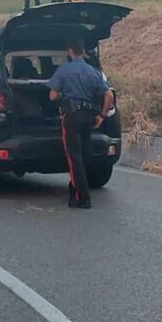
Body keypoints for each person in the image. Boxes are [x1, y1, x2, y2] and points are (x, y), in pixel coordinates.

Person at [47, 38, 112, 209]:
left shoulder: (63, 71)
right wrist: (102, 116)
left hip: (72, 117)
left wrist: (63, 95)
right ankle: (74, 189)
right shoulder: (94, 72)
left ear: (70, 51)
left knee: (73, 158)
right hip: (89, 118)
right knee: (83, 155)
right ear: (82, 51)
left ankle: (82, 198)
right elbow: (109, 95)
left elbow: (52, 96)